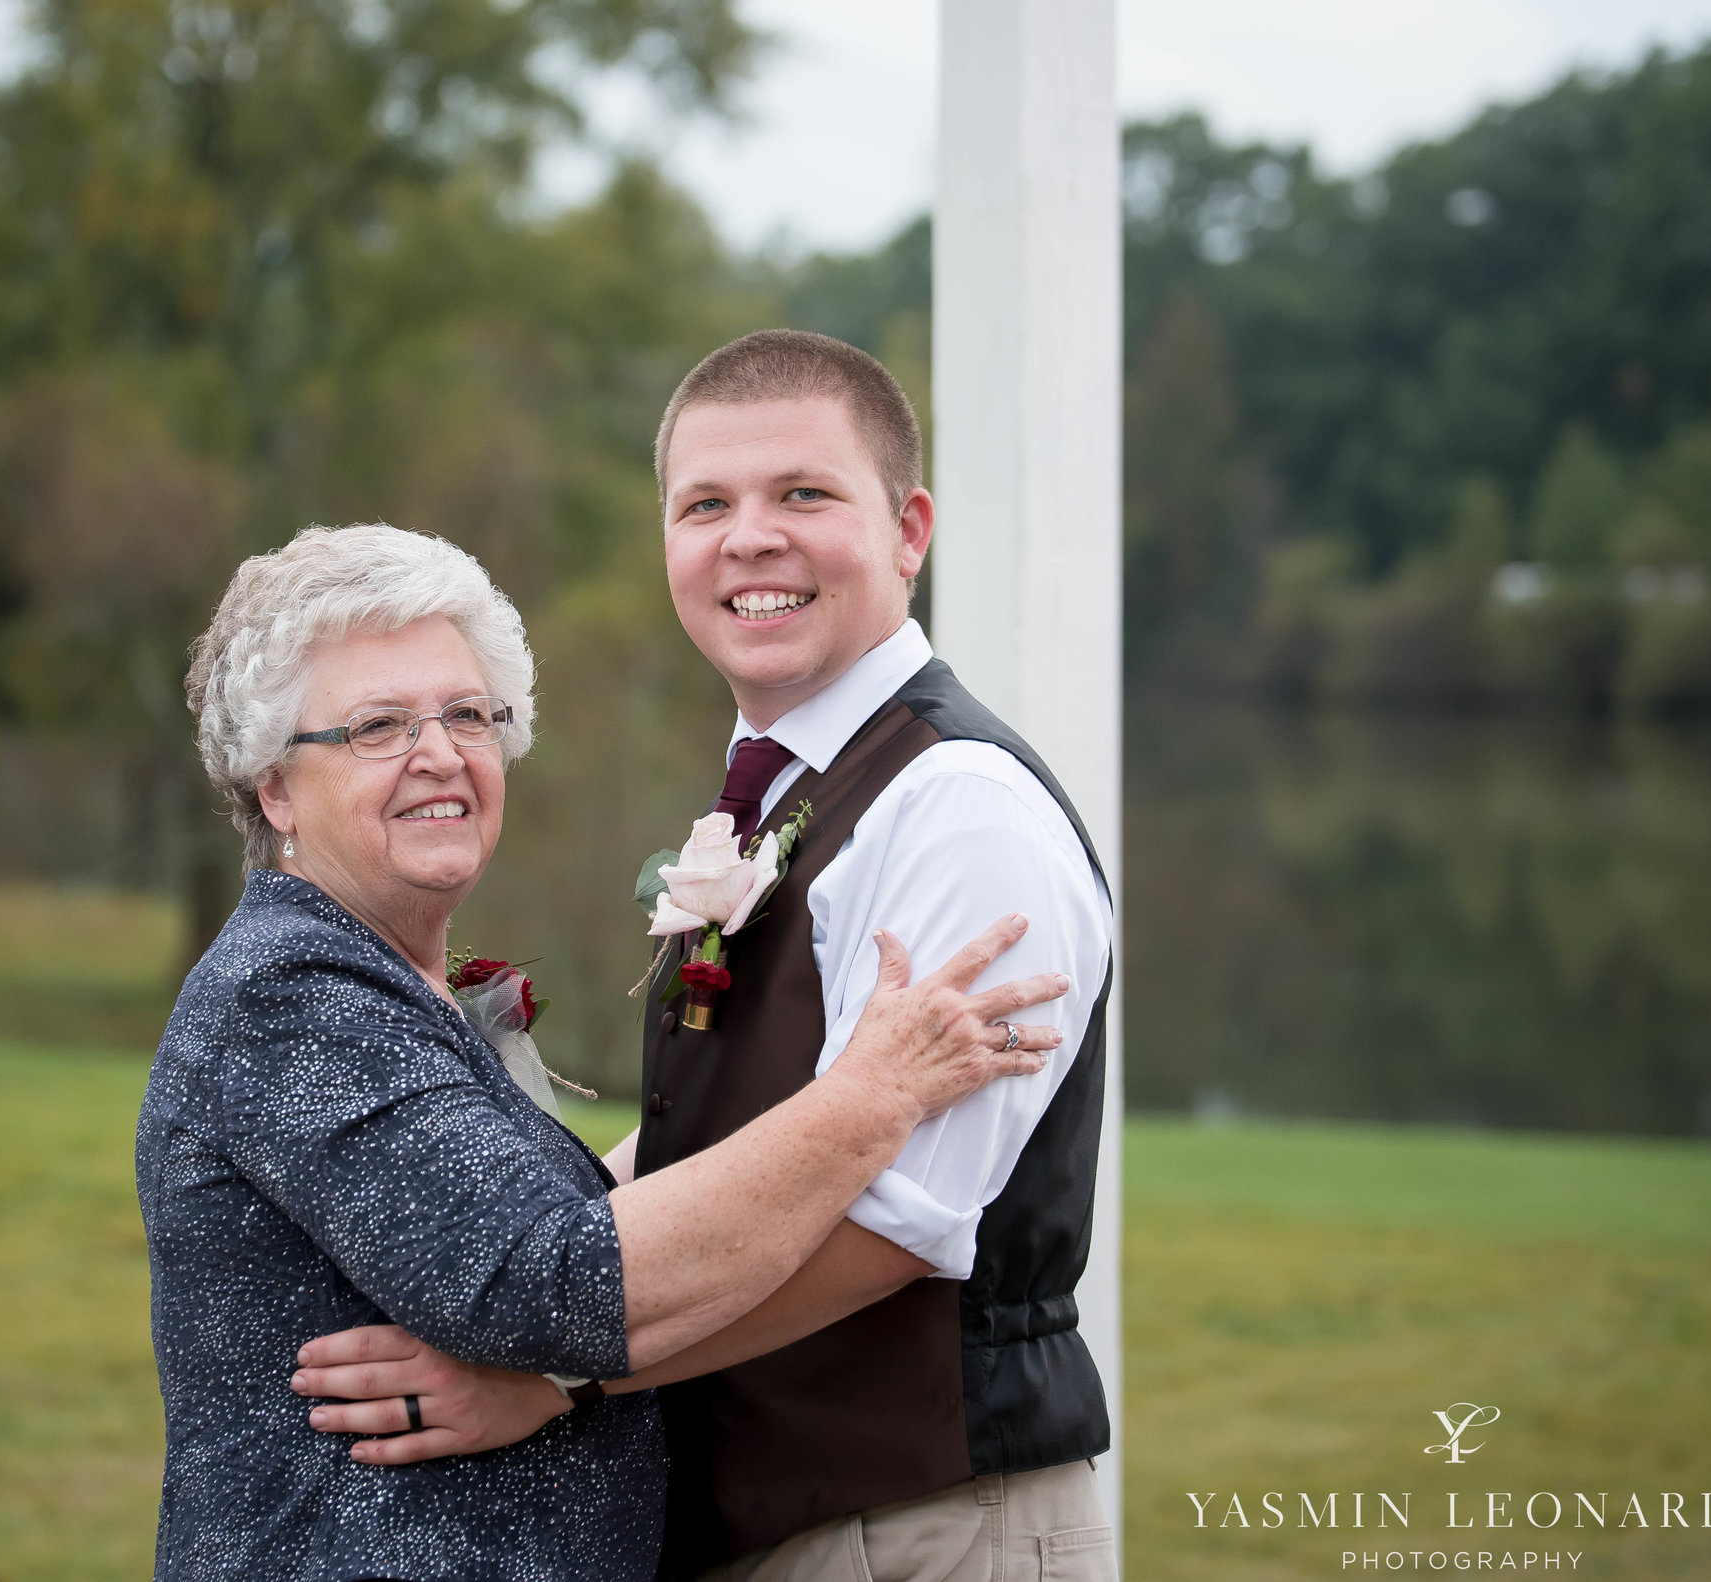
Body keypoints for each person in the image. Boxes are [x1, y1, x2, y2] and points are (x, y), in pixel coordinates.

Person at [292, 332, 1119, 1581]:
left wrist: (554, 1373)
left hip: (920, 1525)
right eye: (705, 505)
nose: (749, 539)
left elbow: (896, 1224)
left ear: (907, 530)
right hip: (772, 1516)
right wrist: (518, 1260)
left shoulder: (960, 809)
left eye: (803, 494)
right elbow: (726, 1132)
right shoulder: (784, 791)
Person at [138, 521, 1075, 1581]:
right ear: (273, 788)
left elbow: (554, 1223)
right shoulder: (291, 997)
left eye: (466, 714)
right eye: (376, 727)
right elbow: (554, 1282)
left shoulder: (390, 992)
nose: (438, 752)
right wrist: (869, 1096)